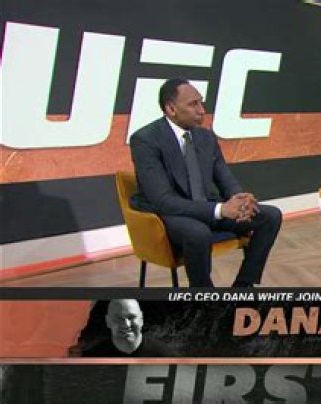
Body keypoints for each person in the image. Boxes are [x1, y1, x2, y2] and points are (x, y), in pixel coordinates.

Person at [130, 78, 282, 287]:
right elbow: (163, 200)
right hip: (171, 213)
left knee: (270, 216)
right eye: (193, 104)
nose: (202, 110)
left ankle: (243, 287)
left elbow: (224, 175)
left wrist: (240, 200)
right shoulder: (145, 140)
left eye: (201, 103)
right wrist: (220, 210)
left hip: (206, 207)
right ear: (171, 109)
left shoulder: (206, 137)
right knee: (198, 233)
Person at [83, 299, 176, 357]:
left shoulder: (168, 357)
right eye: (119, 318)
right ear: (108, 321)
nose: (126, 324)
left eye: (131, 317)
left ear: (141, 319)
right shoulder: (90, 359)